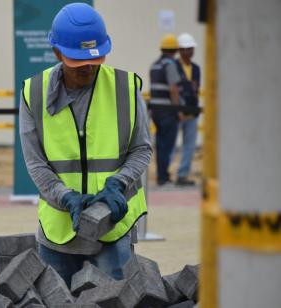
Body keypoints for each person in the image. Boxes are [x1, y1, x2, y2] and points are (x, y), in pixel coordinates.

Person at [19, 3, 151, 286]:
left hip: (112, 229)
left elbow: (141, 149)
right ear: (57, 53)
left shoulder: (125, 87)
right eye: (79, 61)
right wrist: (65, 196)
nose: (89, 67)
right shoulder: (34, 93)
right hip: (59, 232)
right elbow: (35, 162)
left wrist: (119, 184)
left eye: (95, 59)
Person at [149, 34, 183, 186]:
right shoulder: (170, 64)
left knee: (161, 144)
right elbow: (174, 89)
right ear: (175, 49)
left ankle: (160, 176)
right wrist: (178, 110)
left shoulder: (155, 65)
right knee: (167, 145)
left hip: (156, 110)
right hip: (168, 111)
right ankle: (164, 178)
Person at [174, 33, 201, 186]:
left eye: (191, 48)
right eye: (185, 49)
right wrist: (178, 110)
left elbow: (196, 89)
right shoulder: (175, 67)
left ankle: (182, 174)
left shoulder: (196, 68)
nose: (189, 52)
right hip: (178, 113)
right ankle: (165, 175)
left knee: (189, 146)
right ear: (180, 50)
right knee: (170, 145)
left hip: (192, 112)